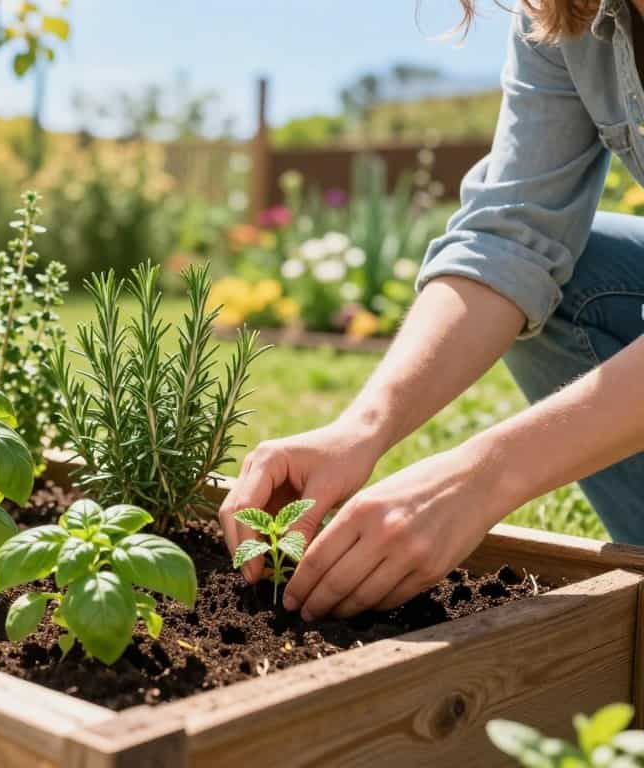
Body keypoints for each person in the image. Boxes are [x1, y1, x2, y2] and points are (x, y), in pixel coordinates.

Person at [219, 0, 644, 621]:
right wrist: (361, 429)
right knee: (573, 274)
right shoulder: (564, 15)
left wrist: (482, 477)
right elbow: (511, 239)